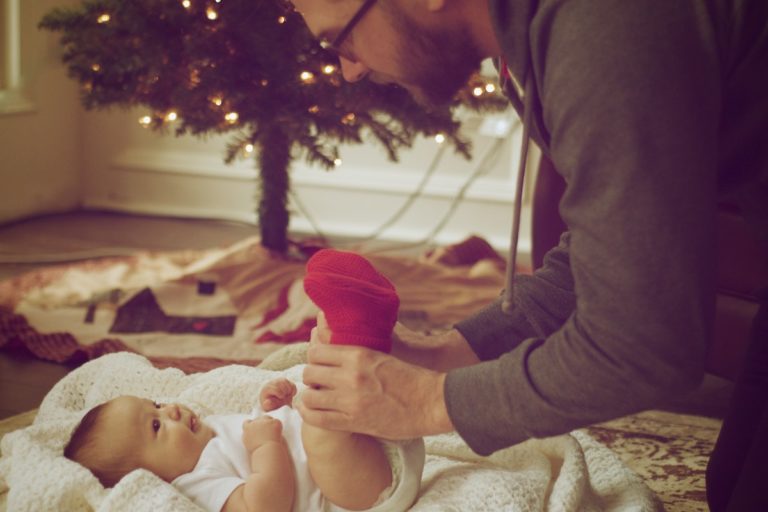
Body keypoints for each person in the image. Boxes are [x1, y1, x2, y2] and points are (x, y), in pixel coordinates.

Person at [288, 1, 768, 510]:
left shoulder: (603, 29)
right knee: (732, 488)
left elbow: (643, 346)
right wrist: (447, 353)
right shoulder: (526, 42)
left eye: (341, 41)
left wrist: (428, 402)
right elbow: (609, 253)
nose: (348, 70)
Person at [64, 249, 424, 512]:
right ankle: (355, 333)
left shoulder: (210, 431)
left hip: (359, 440)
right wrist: (265, 447)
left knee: (322, 392)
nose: (170, 410)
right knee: (321, 412)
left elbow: (258, 429)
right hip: (353, 493)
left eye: (156, 405)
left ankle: (363, 336)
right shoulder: (195, 482)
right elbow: (264, 505)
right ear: (151, 476)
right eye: (156, 426)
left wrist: (270, 405)